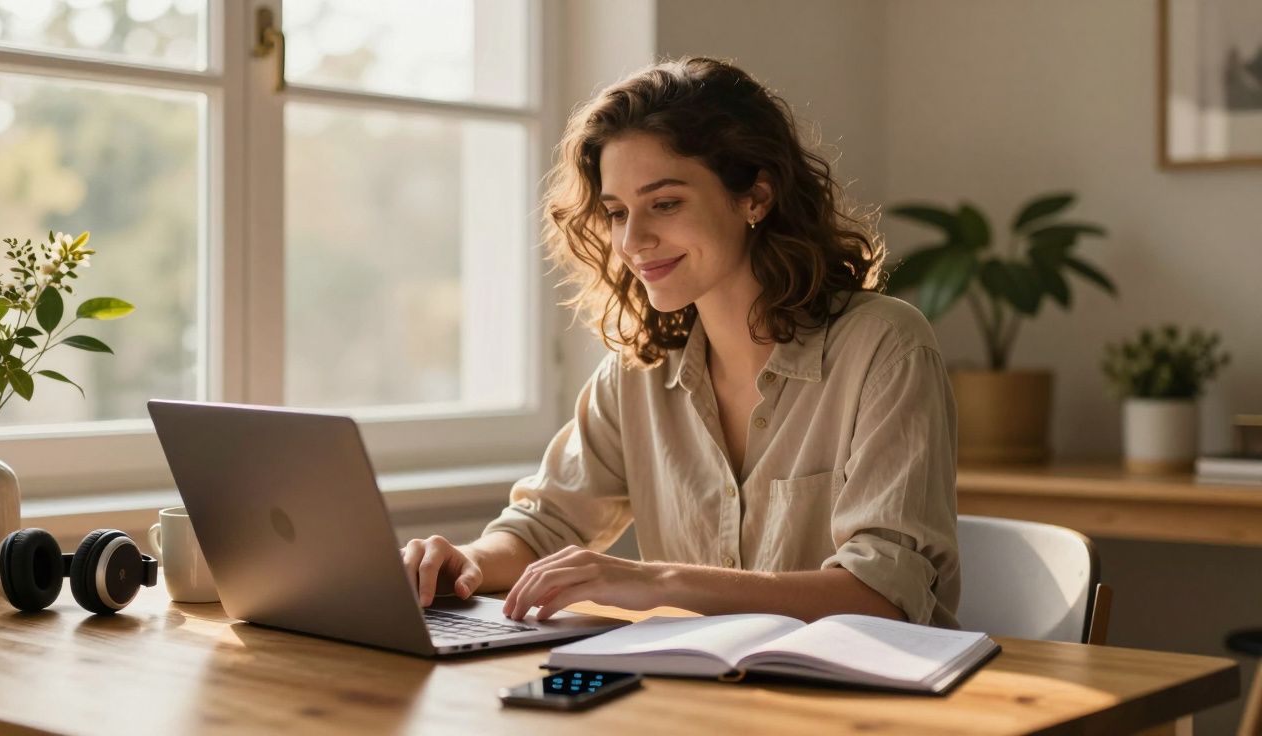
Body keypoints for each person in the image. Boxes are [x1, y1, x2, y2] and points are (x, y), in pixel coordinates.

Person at [401, 57, 959, 628]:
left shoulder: (885, 347)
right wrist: (463, 561)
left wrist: (659, 581)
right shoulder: (636, 374)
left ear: (755, 198)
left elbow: (881, 598)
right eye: (617, 212)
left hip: (864, 704)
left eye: (664, 203)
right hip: (703, 699)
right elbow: (546, 526)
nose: (633, 240)